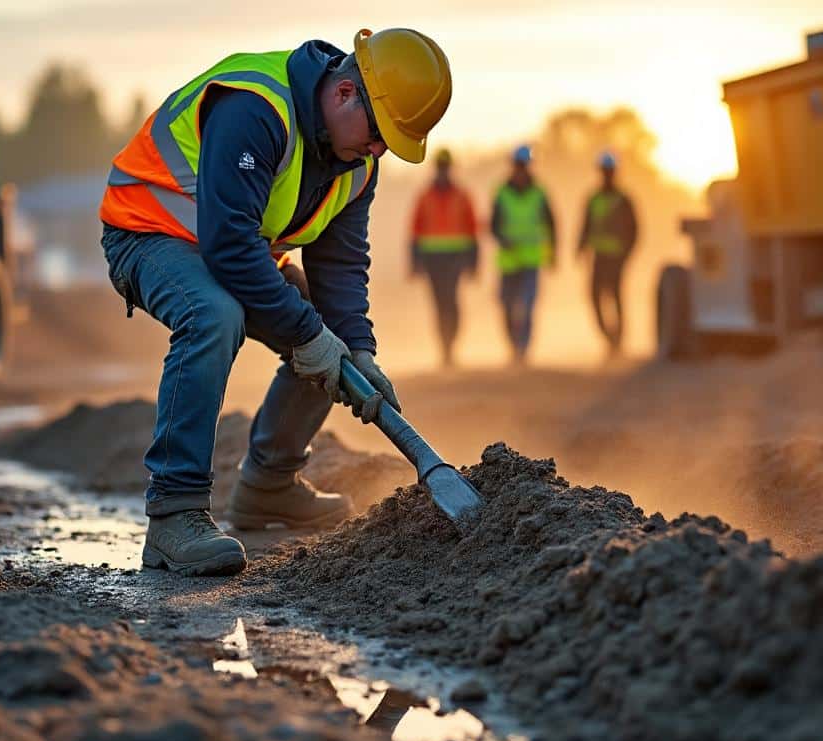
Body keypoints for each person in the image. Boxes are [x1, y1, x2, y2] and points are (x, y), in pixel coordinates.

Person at [98, 29, 452, 576]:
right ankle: (174, 515)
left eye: (391, 145)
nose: (380, 150)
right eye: (381, 134)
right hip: (147, 230)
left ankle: (268, 486)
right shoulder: (255, 107)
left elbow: (341, 267)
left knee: (329, 337)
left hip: (229, 247)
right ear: (343, 94)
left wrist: (357, 350)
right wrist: (308, 335)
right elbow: (229, 244)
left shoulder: (356, 162)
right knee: (214, 313)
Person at [408, 148, 478, 367]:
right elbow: (415, 230)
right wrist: (415, 262)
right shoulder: (424, 196)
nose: (443, 172)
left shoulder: (462, 195)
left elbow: (472, 228)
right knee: (439, 304)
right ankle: (445, 348)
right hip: (432, 259)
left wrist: (474, 261)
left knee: (452, 302)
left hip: (455, 257)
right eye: (441, 167)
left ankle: (451, 343)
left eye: (446, 168)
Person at [490, 144, 556, 365]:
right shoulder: (501, 193)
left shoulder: (540, 193)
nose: (521, 169)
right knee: (507, 306)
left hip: (531, 259)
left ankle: (523, 348)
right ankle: (513, 344)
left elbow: (551, 225)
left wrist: (553, 253)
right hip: (508, 261)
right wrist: (502, 239)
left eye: (524, 165)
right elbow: (493, 226)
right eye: (518, 165)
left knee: (527, 306)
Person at [579, 151, 638, 358]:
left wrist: (626, 254)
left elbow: (634, 230)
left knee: (615, 296)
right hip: (598, 257)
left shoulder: (624, 200)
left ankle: (619, 339)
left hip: (617, 258)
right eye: (604, 171)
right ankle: (609, 337)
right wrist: (580, 247)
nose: (606, 175)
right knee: (594, 297)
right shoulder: (593, 198)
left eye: (609, 171)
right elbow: (586, 226)